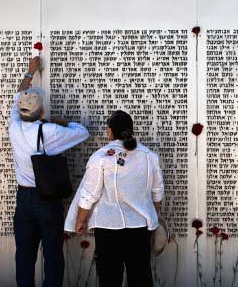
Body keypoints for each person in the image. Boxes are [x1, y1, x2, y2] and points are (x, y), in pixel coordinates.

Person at [10, 56, 90, 287]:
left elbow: (18, 97)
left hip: (23, 197)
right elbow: (82, 132)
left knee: (24, 255)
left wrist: (29, 73)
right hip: (46, 199)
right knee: (53, 254)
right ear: (42, 110)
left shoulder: (14, 125)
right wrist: (62, 123)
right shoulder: (50, 131)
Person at [64, 110, 164, 287]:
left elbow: (89, 194)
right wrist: (154, 213)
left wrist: (79, 221)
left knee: (109, 278)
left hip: (108, 229)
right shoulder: (149, 156)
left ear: (109, 131)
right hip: (140, 227)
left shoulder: (101, 157)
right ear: (131, 130)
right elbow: (157, 193)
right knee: (140, 277)